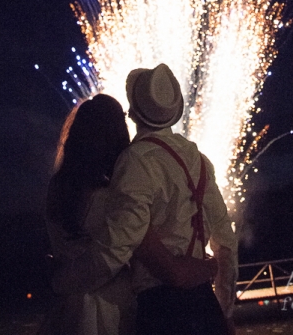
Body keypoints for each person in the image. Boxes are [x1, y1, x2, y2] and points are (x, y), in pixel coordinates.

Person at [57, 64, 238, 335]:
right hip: (205, 306)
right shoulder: (200, 161)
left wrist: (64, 280)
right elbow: (226, 243)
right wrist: (223, 309)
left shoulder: (135, 161)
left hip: (162, 309)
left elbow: (116, 247)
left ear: (134, 112)